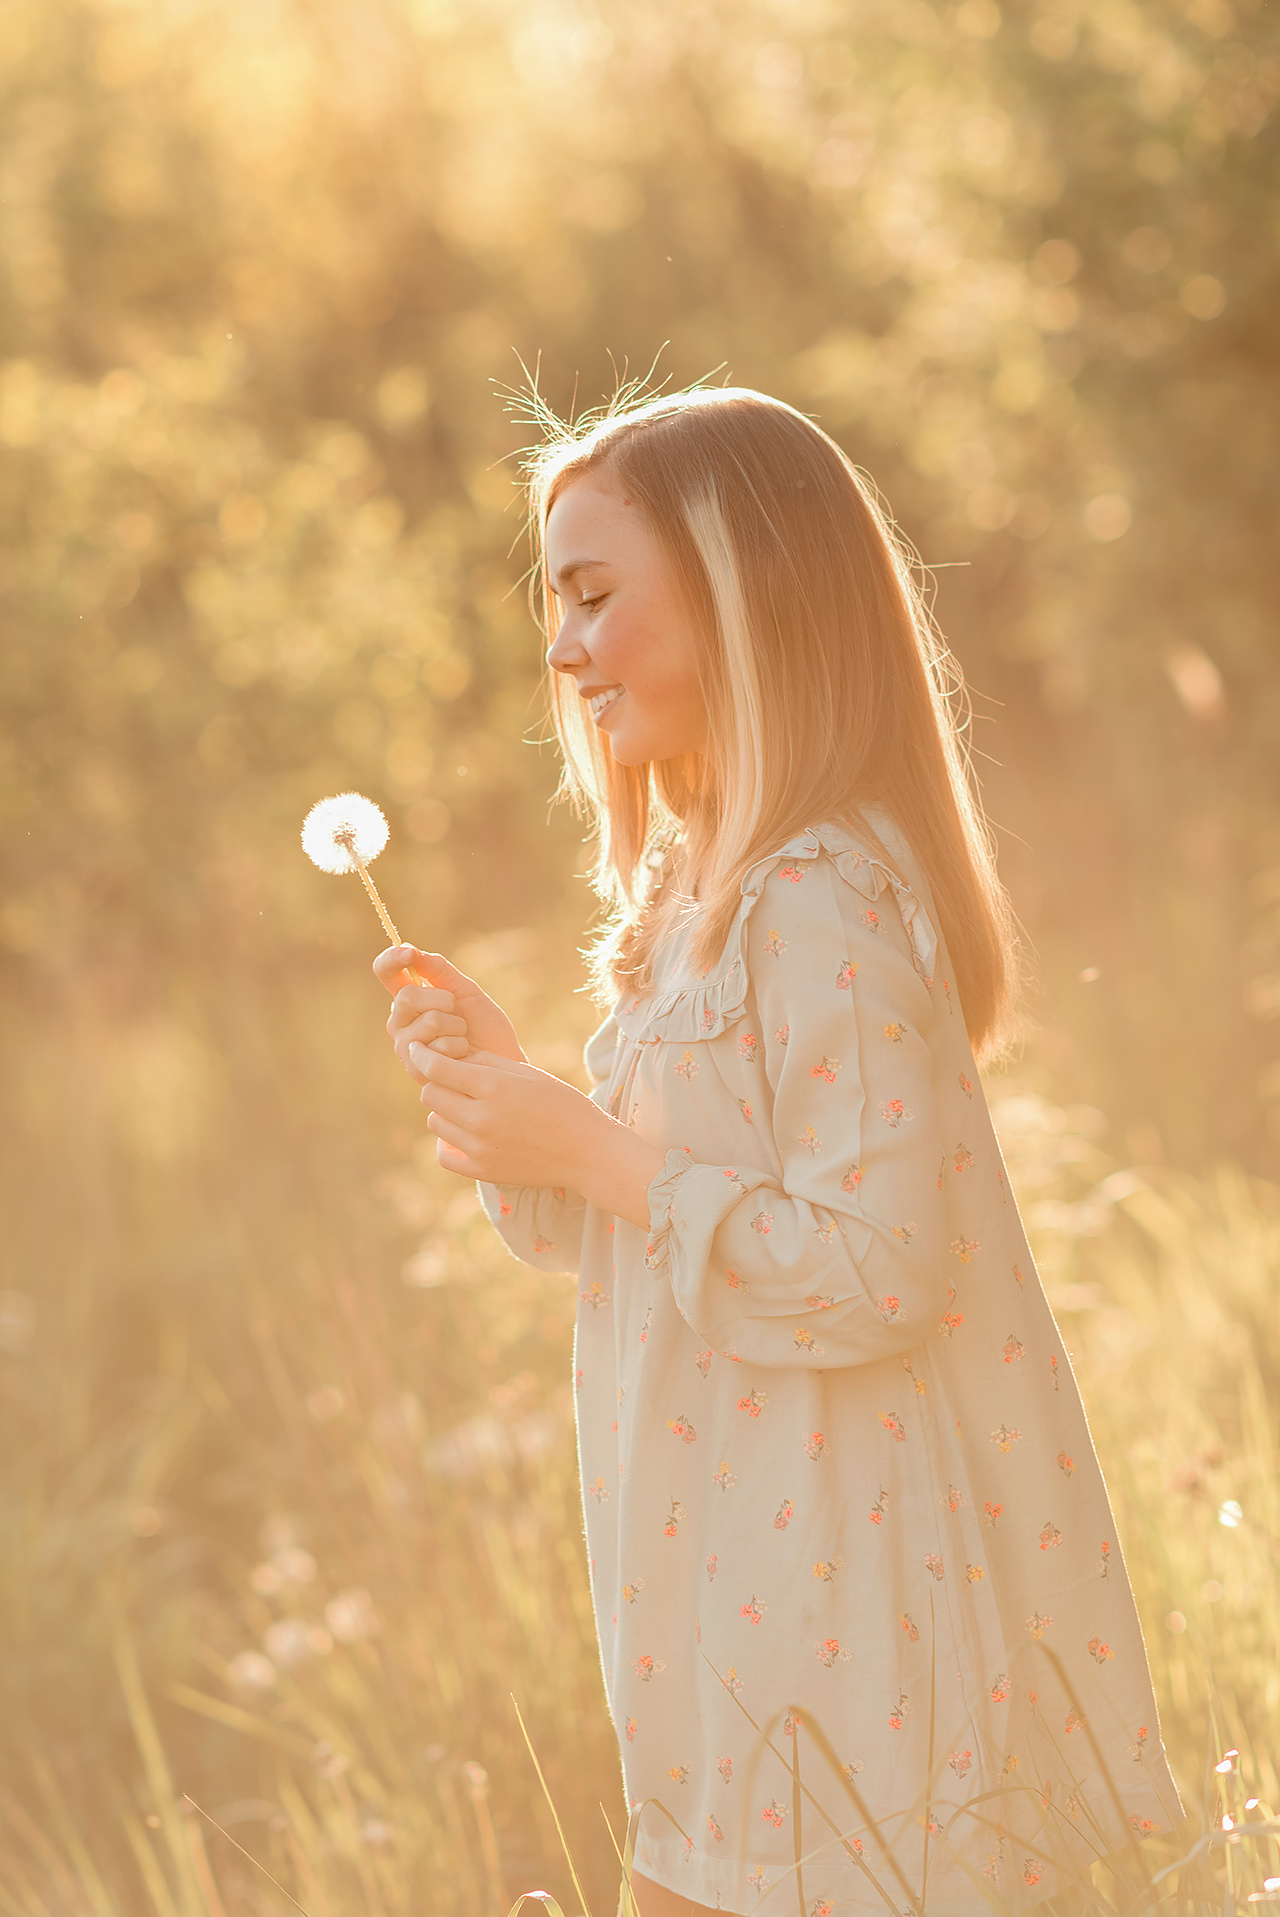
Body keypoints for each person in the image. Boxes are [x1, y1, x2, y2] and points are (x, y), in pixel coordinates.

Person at [374, 387, 1181, 1915]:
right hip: (728, 1596)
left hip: (847, 1617)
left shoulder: (823, 899)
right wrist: (516, 1105)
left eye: (597, 596)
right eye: (558, 605)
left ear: (744, 593)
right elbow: (639, 1237)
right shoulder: (702, 902)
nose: (562, 650)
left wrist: (596, 1155)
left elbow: (878, 1271)